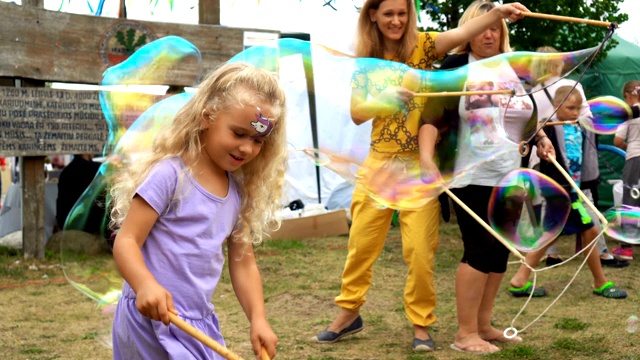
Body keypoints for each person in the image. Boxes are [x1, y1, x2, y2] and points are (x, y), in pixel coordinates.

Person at [312, 0, 530, 352]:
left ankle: (421, 325)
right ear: (373, 16)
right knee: (361, 247)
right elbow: (356, 113)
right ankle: (348, 313)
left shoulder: (424, 47)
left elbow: (462, 33)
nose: (396, 21)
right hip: (379, 166)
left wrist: (497, 14)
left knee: (420, 251)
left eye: (402, 14)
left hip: (419, 166)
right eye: (388, 14)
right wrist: (383, 98)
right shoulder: (366, 61)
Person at [109, 62, 286, 360]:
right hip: (149, 318)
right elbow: (126, 241)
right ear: (208, 117)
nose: (246, 148)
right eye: (239, 133)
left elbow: (243, 263)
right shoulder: (170, 175)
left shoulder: (238, 193)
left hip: (195, 322)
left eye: (257, 140)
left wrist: (258, 317)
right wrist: (145, 285)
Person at [419, 0, 554, 354]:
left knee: (497, 253)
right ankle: (464, 334)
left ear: (502, 31)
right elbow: (432, 118)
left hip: (510, 173)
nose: (489, 33)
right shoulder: (456, 66)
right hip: (471, 174)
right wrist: (425, 159)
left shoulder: (512, 69)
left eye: (495, 27)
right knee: (478, 250)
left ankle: (483, 324)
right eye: (482, 26)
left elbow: (526, 116)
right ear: (470, 31)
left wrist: (540, 140)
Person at [509, 86, 628, 302]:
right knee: (587, 230)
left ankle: (521, 278)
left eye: (578, 108)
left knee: (568, 233)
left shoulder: (580, 127)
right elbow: (534, 147)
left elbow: (586, 157)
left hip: (571, 189)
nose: (574, 112)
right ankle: (600, 282)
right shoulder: (549, 128)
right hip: (557, 190)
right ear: (556, 106)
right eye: (570, 108)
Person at [530, 46, 628, 268]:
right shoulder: (573, 86)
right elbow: (587, 119)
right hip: (571, 156)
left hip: (541, 156)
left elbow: (528, 124)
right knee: (585, 203)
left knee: (548, 207)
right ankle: (601, 253)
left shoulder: (532, 90)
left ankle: (551, 254)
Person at [612, 79, 640, 260]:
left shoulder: (629, 114)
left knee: (631, 200)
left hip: (635, 160)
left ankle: (627, 247)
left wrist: (627, 146)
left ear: (628, 96)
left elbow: (617, 141)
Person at [55, 154, 101, 231]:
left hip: (68, 228)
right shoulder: (97, 170)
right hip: (93, 230)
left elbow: (60, 213)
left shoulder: (65, 172)